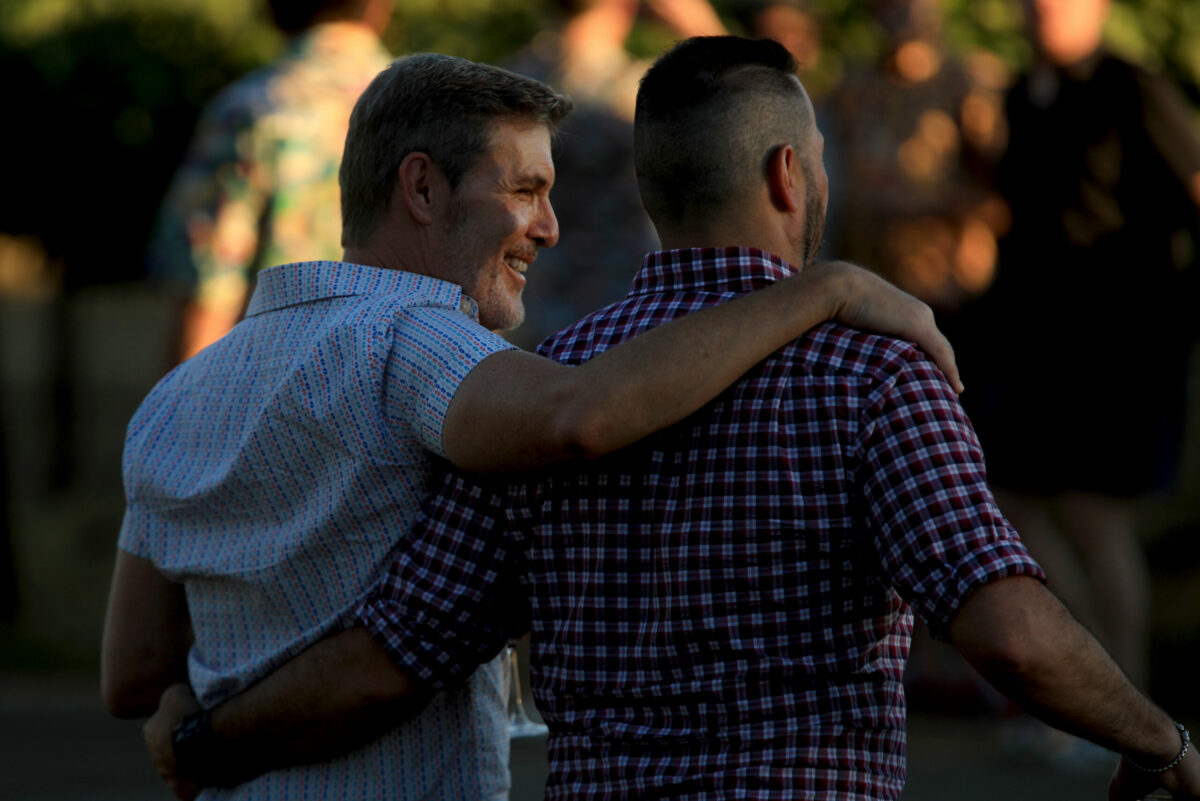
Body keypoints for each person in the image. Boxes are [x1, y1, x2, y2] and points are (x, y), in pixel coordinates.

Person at [138, 38, 1199, 801]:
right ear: (789, 174)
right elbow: (1007, 629)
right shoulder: (875, 370)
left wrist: (208, 740)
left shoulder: (539, 381)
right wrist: (1163, 742)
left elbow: (389, 656)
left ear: (652, 190)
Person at [967, 0, 1200, 692]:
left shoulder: (1133, 87)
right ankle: (1089, 687)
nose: (1043, 10)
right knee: (1007, 501)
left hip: (1119, 343)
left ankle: (1127, 703)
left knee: (1095, 515)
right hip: (1033, 342)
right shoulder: (1022, 93)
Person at [148, 0, 394, 363]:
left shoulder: (251, 110)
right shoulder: (437, 117)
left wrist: (186, 396)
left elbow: (210, 282)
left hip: (276, 379)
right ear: (379, 6)